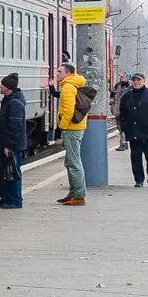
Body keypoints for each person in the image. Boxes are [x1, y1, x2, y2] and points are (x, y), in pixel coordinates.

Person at [116, 71, 148, 187]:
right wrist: (124, 127)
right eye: (134, 80)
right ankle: (139, 180)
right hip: (133, 132)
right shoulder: (127, 96)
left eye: (139, 80)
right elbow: (122, 113)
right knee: (135, 158)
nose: (136, 82)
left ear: (144, 81)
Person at [0, 73, 28, 209]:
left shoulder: (14, 103)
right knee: (5, 172)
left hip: (11, 145)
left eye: (2, 85)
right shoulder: (9, 101)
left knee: (12, 172)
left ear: (7, 88)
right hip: (5, 144)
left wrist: (8, 146)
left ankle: (15, 200)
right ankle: (5, 198)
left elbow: (14, 126)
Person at [57, 62, 88, 206]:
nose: (57, 73)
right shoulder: (72, 84)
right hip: (76, 128)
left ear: (68, 73)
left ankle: (79, 196)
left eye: (59, 71)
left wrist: (62, 126)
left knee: (74, 162)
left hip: (71, 128)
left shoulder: (68, 87)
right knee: (70, 161)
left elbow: (68, 110)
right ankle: (73, 193)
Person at [110, 75, 131, 152]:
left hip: (126, 111)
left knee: (125, 127)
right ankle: (124, 143)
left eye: (123, 77)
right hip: (117, 110)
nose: (121, 78)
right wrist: (112, 104)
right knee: (120, 127)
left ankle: (124, 143)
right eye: (120, 77)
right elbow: (112, 95)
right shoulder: (116, 86)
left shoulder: (130, 86)